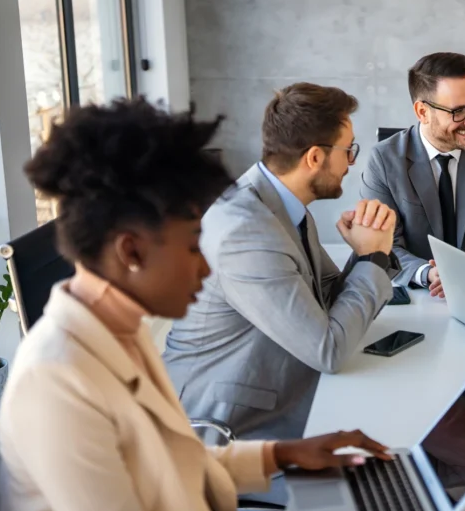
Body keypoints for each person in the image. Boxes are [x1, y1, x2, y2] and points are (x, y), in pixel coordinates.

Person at [0, 99, 392, 511]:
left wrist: (284, 455)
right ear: (132, 252)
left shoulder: (116, 328)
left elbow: (164, 462)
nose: (206, 270)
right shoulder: (55, 379)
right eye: (195, 247)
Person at [164, 83, 400, 441]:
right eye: (348, 151)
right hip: (226, 425)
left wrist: (367, 252)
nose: (351, 163)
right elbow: (329, 351)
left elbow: (326, 301)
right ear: (315, 158)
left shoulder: (281, 204)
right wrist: (373, 256)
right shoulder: (247, 232)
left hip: (278, 388)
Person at [360, 52, 465, 297]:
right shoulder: (383, 161)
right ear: (422, 112)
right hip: (419, 295)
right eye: (459, 111)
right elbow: (382, 247)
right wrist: (426, 273)